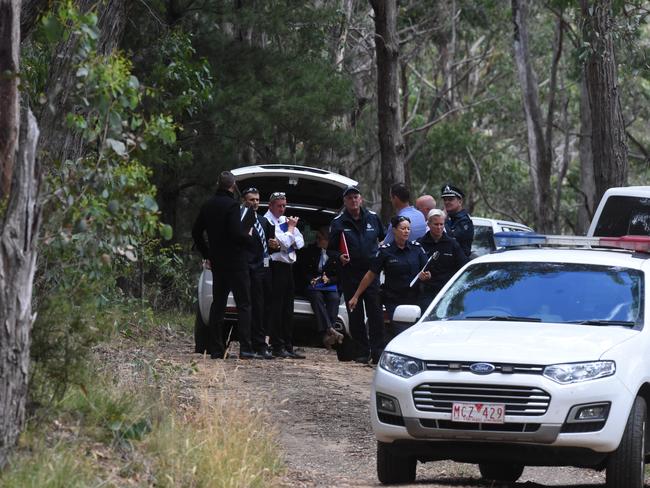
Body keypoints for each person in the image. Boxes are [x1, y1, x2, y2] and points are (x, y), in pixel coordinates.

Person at [191, 171, 261, 359]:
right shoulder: (232, 206)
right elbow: (235, 233)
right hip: (236, 262)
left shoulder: (207, 205)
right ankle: (245, 348)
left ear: (218, 184)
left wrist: (208, 253)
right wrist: (249, 240)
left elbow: (196, 232)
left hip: (218, 263)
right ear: (232, 186)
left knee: (218, 303)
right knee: (244, 304)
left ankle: (216, 349)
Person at [328, 185, 385, 364]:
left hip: (371, 273)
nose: (353, 200)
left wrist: (381, 256)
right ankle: (361, 351)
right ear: (345, 201)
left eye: (356, 197)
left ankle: (378, 352)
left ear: (361, 199)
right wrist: (339, 257)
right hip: (350, 274)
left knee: (375, 313)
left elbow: (384, 239)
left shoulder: (373, 218)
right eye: (350, 198)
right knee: (355, 314)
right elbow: (330, 250)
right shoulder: (338, 222)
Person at [348, 215, 430, 338]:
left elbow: (427, 270)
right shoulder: (385, 251)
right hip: (394, 300)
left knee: (414, 333)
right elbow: (370, 275)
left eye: (408, 228)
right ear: (394, 230)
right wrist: (356, 296)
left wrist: (426, 276)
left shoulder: (416, 248)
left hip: (414, 299)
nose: (406, 231)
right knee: (401, 332)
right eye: (403, 228)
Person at [264, 191, 306, 359]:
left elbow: (300, 242)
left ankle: (288, 345)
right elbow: (284, 242)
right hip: (275, 266)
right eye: (279, 206)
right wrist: (290, 230)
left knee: (288, 307)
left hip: (288, 266)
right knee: (277, 308)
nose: (282, 209)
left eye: (284, 206)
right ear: (271, 205)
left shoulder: (283, 220)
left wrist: (289, 234)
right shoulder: (267, 221)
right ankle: (277, 344)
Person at [297, 227, 345, 348]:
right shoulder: (310, 251)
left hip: (329, 285)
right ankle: (330, 329)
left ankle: (327, 333)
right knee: (316, 297)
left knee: (334, 298)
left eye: (320, 239)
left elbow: (340, 275)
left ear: (328, 240)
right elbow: (303, 270)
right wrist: (311, 279)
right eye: (317, 238)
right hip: (313, 285)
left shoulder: (336, 255)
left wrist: (329, 280)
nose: (317, 241)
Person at [242, 187, 275, 359]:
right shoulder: (241, 220)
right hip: (248, 268)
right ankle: (250, 344)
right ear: (244, 201)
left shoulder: (264, 221)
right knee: (251, 307)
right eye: (251, 199)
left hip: (265, 267)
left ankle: (262, 344)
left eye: (257, 199)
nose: (255, 203)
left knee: (264, 307)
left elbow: (270, 244)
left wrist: (274, 245)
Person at [417, 209, 468, 312]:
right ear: (429, 224)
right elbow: (414, 267)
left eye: (442, 224)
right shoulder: (420, 243)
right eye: (436, 224)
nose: (439, 227)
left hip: (447, 291)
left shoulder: (452, 244)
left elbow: (463, 266)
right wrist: (421, 275)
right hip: (427, 292)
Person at [441, 183, 474, 257]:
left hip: (459, 262)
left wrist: (443, 220)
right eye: (445, 200)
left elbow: (451, 240)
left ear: (460, 201)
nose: (447, 202)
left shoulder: (465, 221)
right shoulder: (449, 217)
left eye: (450, 199)